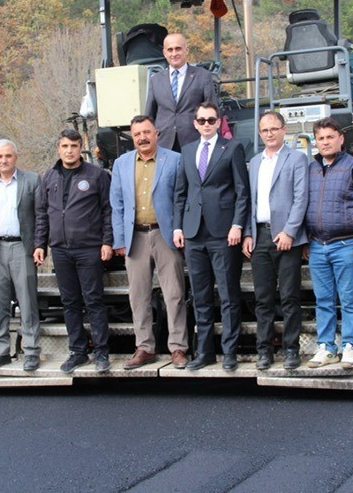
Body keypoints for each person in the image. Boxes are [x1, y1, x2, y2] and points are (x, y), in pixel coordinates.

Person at [173, 102, 250, 371]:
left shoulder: (232, 149)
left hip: (223, 233)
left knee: (228, 295)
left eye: (211, 120)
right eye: (201, 120)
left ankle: (229, 352)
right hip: (194, 233)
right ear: (195, 123)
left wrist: (238, 225)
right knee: (201, 296)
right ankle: (204, 352)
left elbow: (242, 191)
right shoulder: (187, 151)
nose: (206, 124)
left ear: (219, 122)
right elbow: (181, 193)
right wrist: (178, 226)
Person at [110, 115, 190, 369]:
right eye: (137, 134)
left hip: (165, 236)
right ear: (132, 137)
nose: (142, 138)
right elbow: (117, 205)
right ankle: (145, 347)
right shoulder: (121, 164)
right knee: (138, 296)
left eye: (146, 132)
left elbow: (182, 199)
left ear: (157, 133)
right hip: (135, 237)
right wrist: (120, 239)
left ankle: (178, 347)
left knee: (174, 294)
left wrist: (179, 229)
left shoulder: (175, 160)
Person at [34, 129, 114, 374]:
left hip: (89, 248)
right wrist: (40, 243)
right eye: (65, 146)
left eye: (74, 146)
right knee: (69, 302)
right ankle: (78, 351)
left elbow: (108, 210)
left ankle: (101, 352)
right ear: (58, 148)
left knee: (94, 301)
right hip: (60, 249)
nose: (69, 150)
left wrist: (107, 241)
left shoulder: (96, 175)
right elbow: (42, 213)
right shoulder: (49, 176)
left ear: (81, 148)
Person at [304, 118, 353, 369]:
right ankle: (326, 347)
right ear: (316, 142)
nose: (325, 142)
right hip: (317, 245)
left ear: (340, 139)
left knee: (349, 298)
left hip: (346, 244)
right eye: (320, 138)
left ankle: (350, 346)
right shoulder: (310, 168)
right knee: (322, 298)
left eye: (329, 137)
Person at [242, 111, 308, 371]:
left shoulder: (297, 159)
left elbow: (301, 198)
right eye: (264, 130)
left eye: (274, 129)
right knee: (263, 299)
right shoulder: (255, 161)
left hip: (286, 239)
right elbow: (250, 201)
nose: (269, 134)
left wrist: (290, 231)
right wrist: (248, 233)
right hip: (260, 237)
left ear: (284, 130)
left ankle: (291, 349)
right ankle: (264, 351)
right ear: (260, 134)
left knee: (290, 296)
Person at [0, 139, 42, 372]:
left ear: (16, 156)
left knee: (27, 302)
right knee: (0, 304)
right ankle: (0, 351)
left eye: (8, 156)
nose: (4, 160)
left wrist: (39, 245)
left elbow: (40, 216)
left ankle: (32, 351)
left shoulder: (31, 180)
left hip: (22, 248)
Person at [144, 33, 219, 152]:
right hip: (164, 143)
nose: (174, 54)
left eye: (178, 49)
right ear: (164, 53)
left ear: (186, 50)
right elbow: (149, 115)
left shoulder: (203, 76)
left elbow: (212, 111)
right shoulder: (155, 79)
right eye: (170, 50)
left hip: (194, 142)